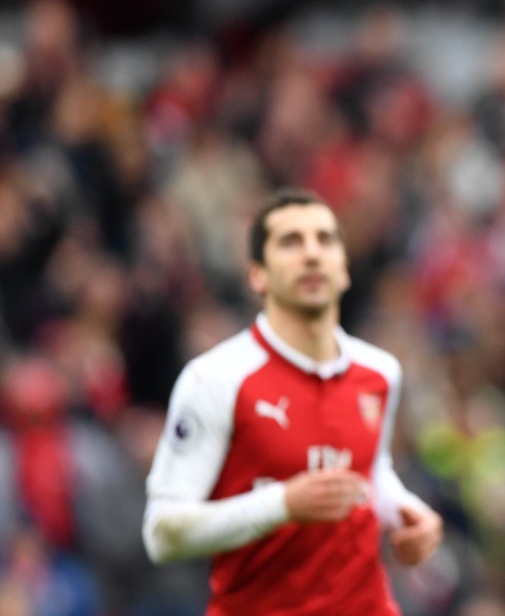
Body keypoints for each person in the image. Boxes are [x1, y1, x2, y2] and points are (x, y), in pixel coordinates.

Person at [142, 187, 443, 615]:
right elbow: (162, 534)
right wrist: (281, 505)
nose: (312, 254)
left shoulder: (380, 373)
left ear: (344, 269)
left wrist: (408, 511)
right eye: (290, 242)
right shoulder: (215, 379)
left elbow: (368, 470)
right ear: (257, 276)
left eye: (325, 240)